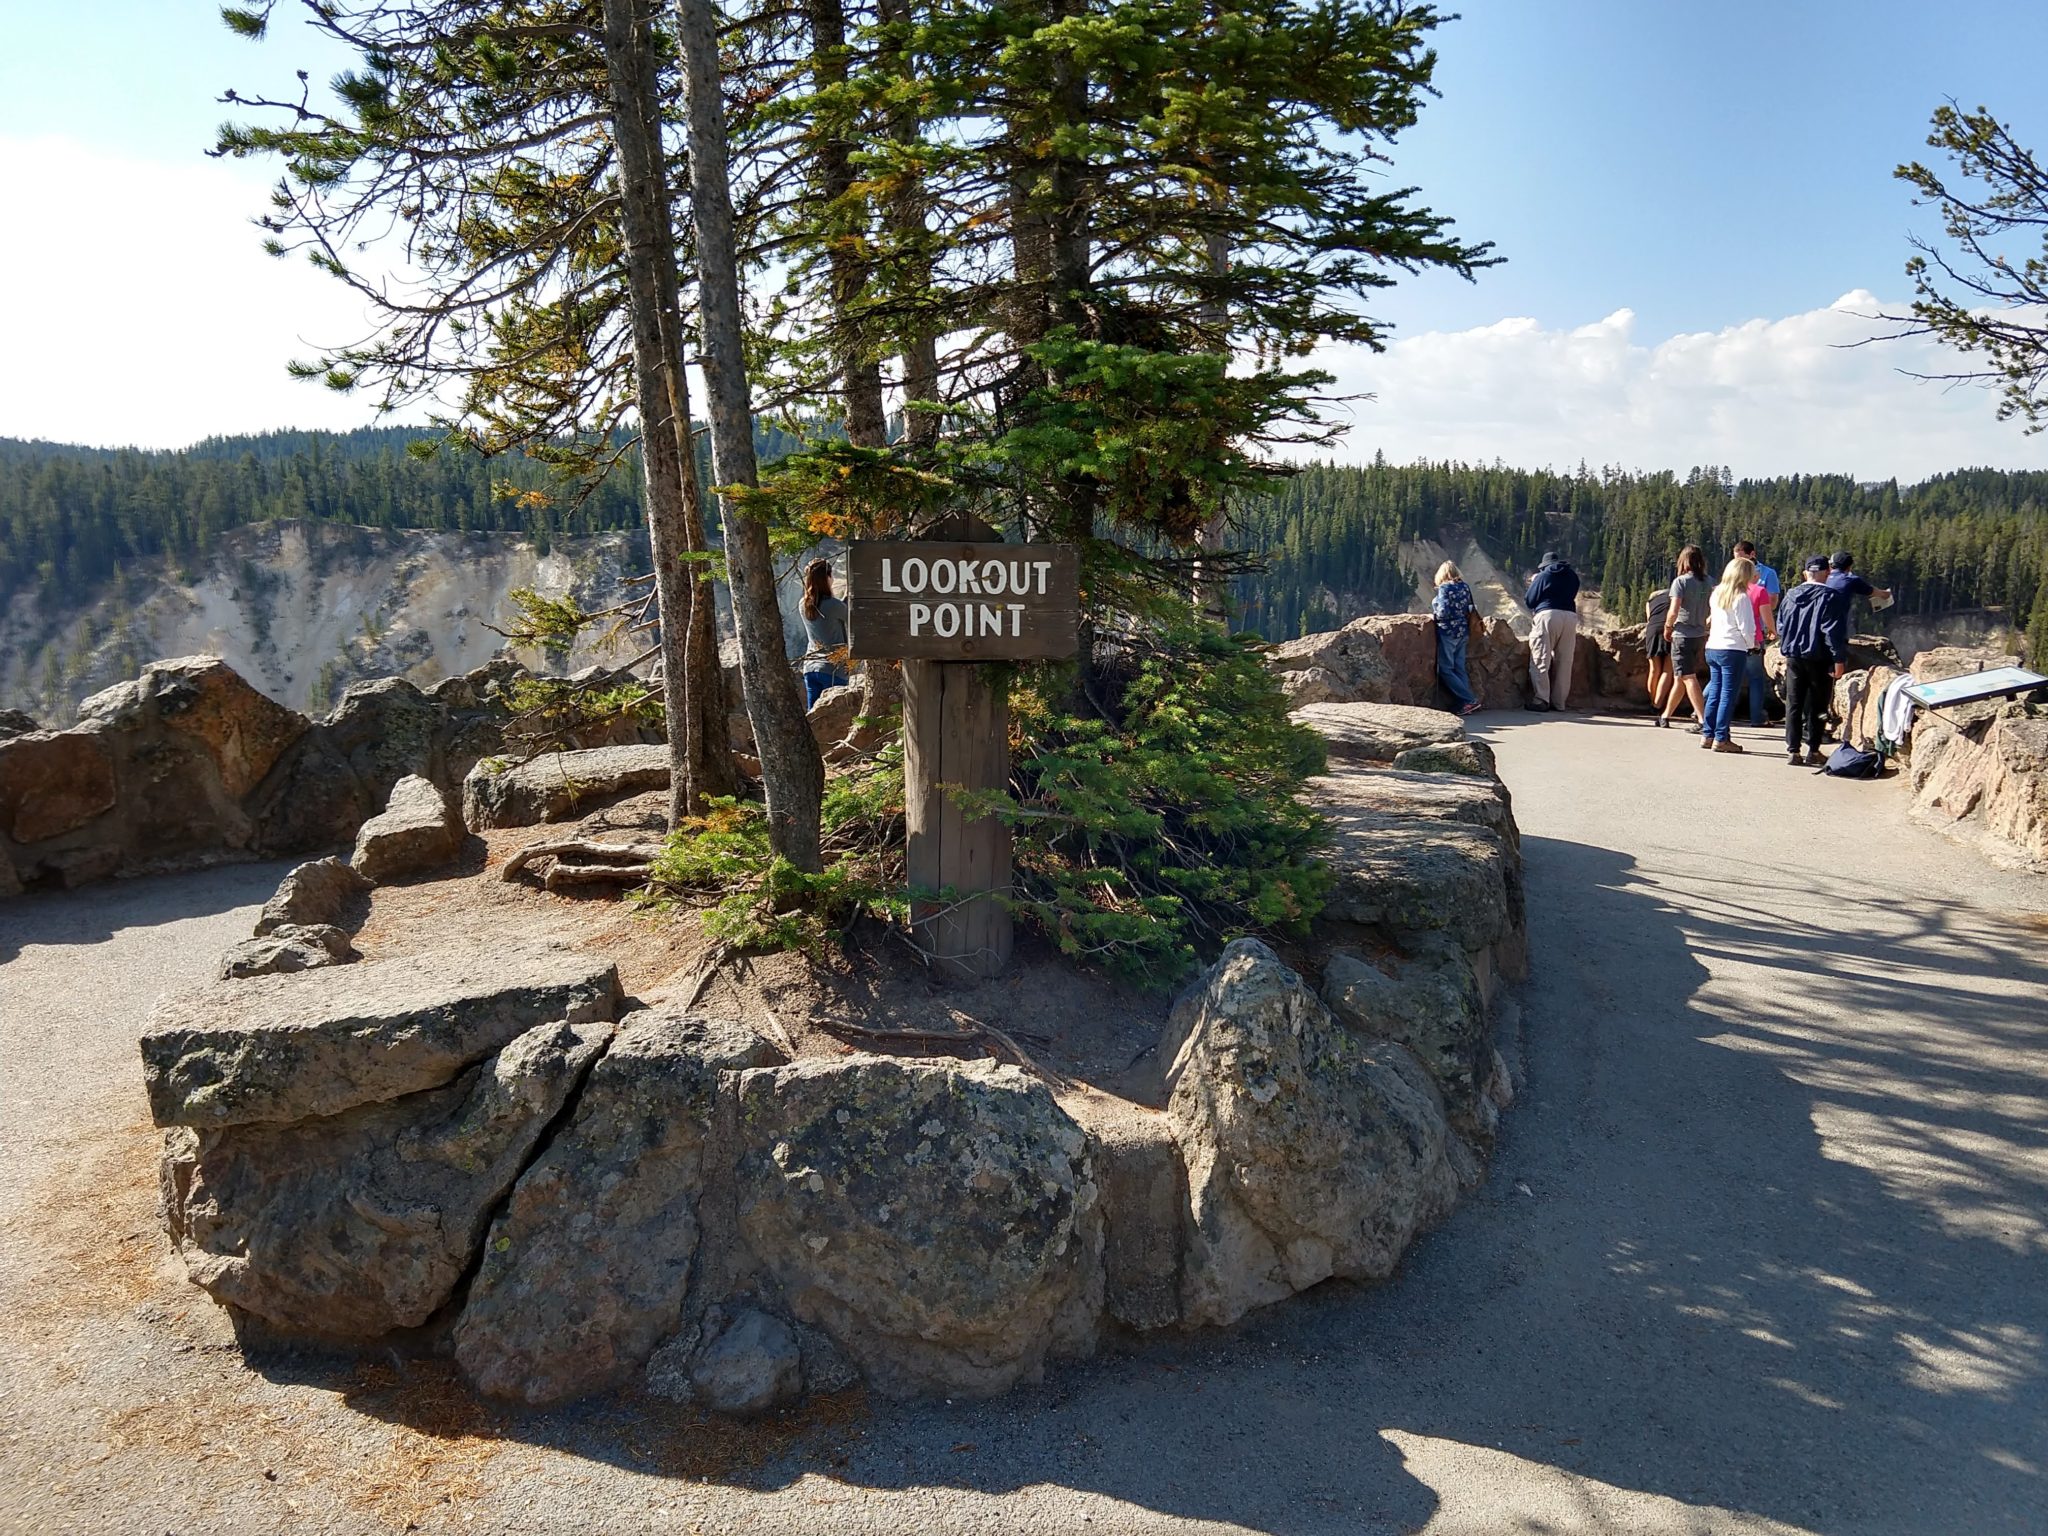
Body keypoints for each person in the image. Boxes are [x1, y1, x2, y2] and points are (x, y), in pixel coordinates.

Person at [1775, 554, 1851, 765]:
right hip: (1819, 657)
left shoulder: (1791, 595)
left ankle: (1793, 749)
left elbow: (1781, 625)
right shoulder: (1831, 597)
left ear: (1805, 573)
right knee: (1818, 705)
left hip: (1794, 656)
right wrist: (1838, 659)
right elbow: (1832, 631)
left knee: (1794, 702)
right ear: (1827, 572)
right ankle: (1814, 749)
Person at [1700, 556, 1759, 752]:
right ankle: (1721, 737)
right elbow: (1747, 628)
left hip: (1713, 646)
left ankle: (1708, 734)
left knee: (1715, 692)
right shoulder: (1741, 597)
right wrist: (1752, 645)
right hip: (1732, 649)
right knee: (1727, 695)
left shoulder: (1717, 593)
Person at [1655, 546, 1711, 729]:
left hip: (1682, 634)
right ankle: (1665, 715)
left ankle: (1703, 720)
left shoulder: (1681, 582)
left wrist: (1668, 627)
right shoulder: (1709, 582)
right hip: (1699, 634)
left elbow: (1673, 610)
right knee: (1680, 677)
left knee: (1687, 676)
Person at [1523, 550, 1580, 712]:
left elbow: (1530, 600)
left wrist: (1535, 582)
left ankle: (1541, 699)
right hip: (1570, 617)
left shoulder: (1543, 576)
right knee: (1565, 661)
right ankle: (1559, 702)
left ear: (1544, 566)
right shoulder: (1572, 576)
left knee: (1540, 657)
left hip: (1548, 615)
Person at [1733, 540, 1778, 728]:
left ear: (1752, 554)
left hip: (1747, 631)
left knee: (1732, 676)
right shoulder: (1744, 582)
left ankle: (1704, 710)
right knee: (1752, 676)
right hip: (1747, 634)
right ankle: (1756, 717)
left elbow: (1773, 600)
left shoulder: (1768, 574)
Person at [1431, 561, 1483, 715]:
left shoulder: (1444, 588)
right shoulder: (1465, 587)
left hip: (1449, 631)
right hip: (1464, 630)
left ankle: (1468, 699)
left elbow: (1443, 612)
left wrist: (1434, 610)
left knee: (1445, 669)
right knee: (1459, 668)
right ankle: (1465, 704)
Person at [799, 558, 850, 708]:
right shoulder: (833, 605)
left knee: (814, 718)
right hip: (832, 670)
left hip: (810, 667)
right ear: (827, 577)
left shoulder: (803, 604)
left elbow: (834, 609)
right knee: (836, 717)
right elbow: (848, 614)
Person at [1825, 551, 1894, 609]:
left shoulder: (1823, 578)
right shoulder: (1850, 579)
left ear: (1831, 565)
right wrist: (1888, 594)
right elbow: (1875, 592)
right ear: (1849, 567)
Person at [1644, 584, 1674, 714]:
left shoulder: (1650, 601)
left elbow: (1649, 618)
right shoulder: (1674, 597)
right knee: (1668, 669)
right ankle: (1658, 704)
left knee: (1654, 669)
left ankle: (1652, 702)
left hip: (1652, 630)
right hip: (1669, 629)